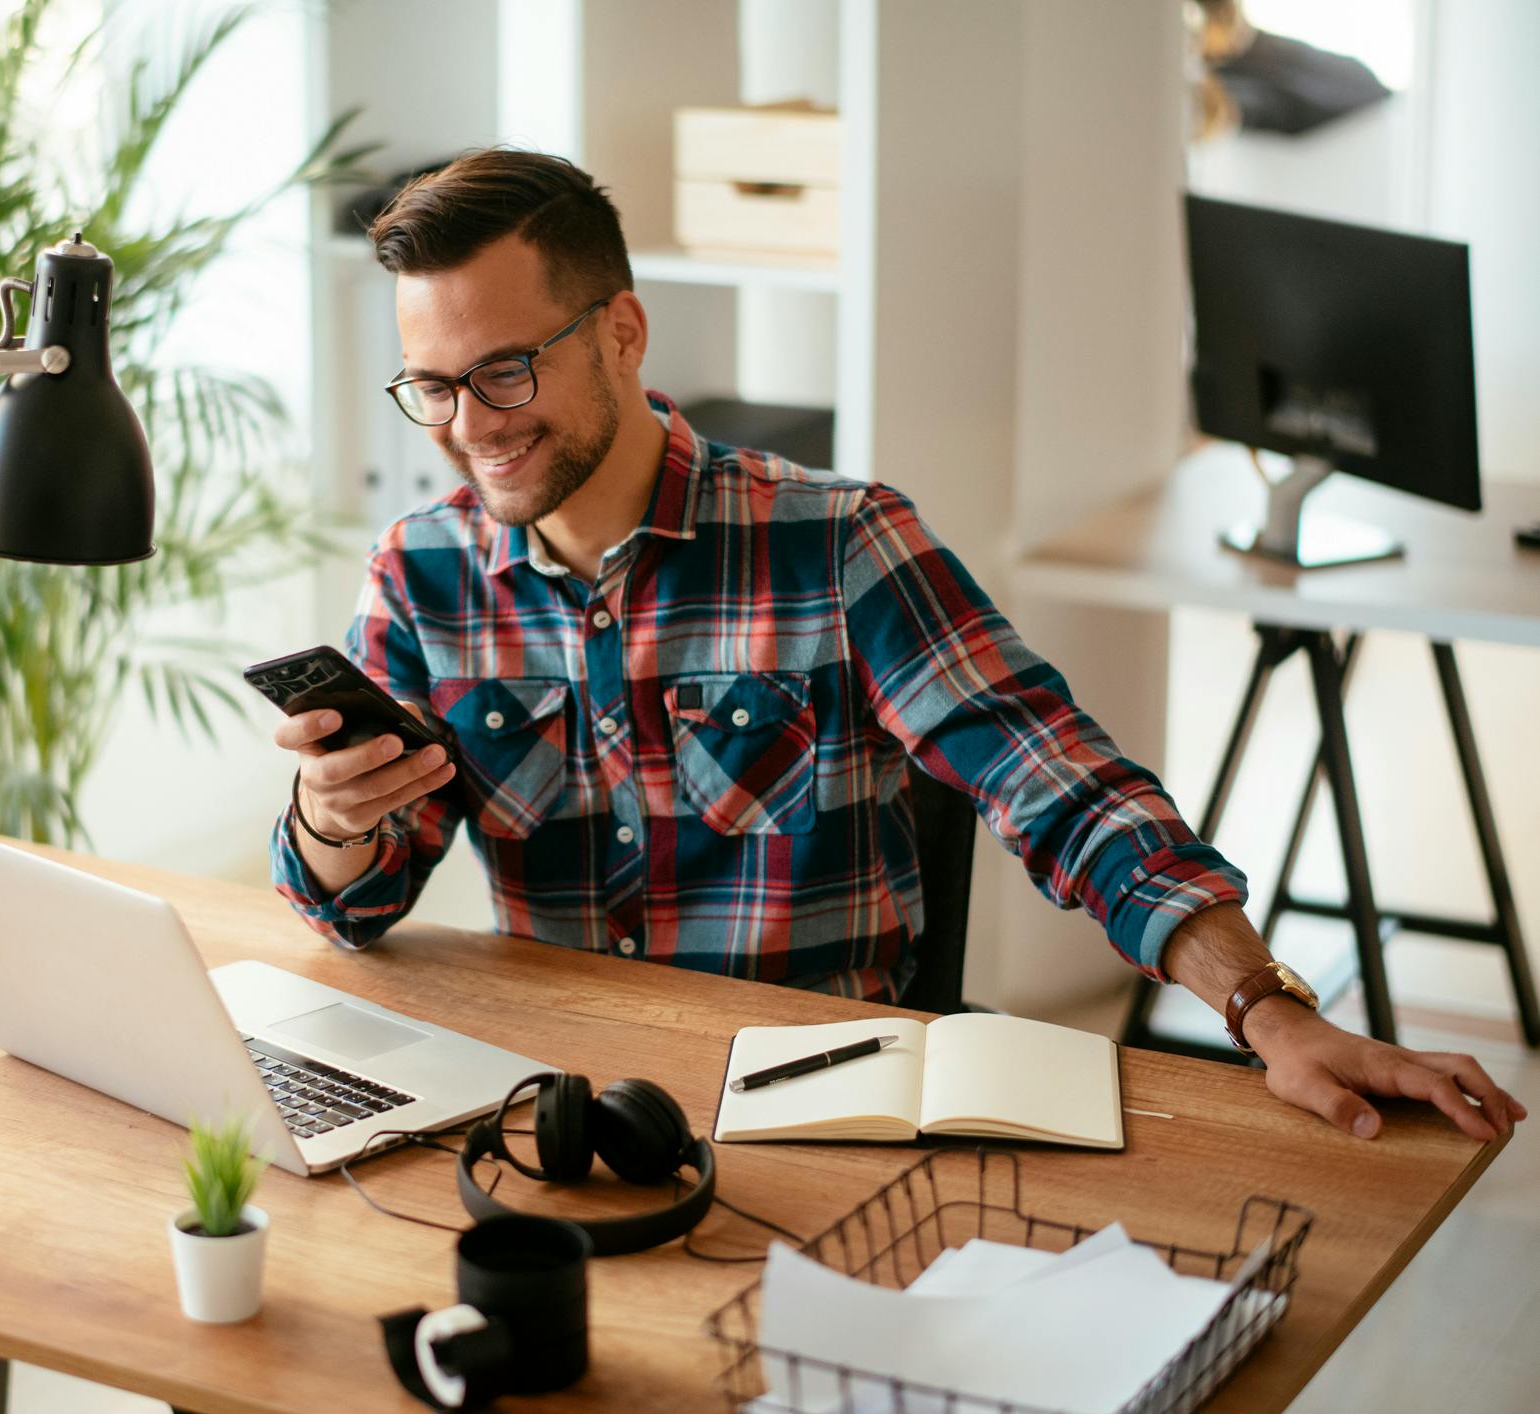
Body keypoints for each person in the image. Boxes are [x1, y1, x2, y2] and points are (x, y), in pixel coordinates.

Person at [267, 148, 1520, 1143]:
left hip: (818, 1117)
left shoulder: (841, 541)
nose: (463, 426)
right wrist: (335, 818)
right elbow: (361, 904)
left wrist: (1266, 1010)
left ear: (622, 333)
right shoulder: (422, 574)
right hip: (571, 1121)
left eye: (501, 372)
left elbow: (1064, 786)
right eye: (428, 385)